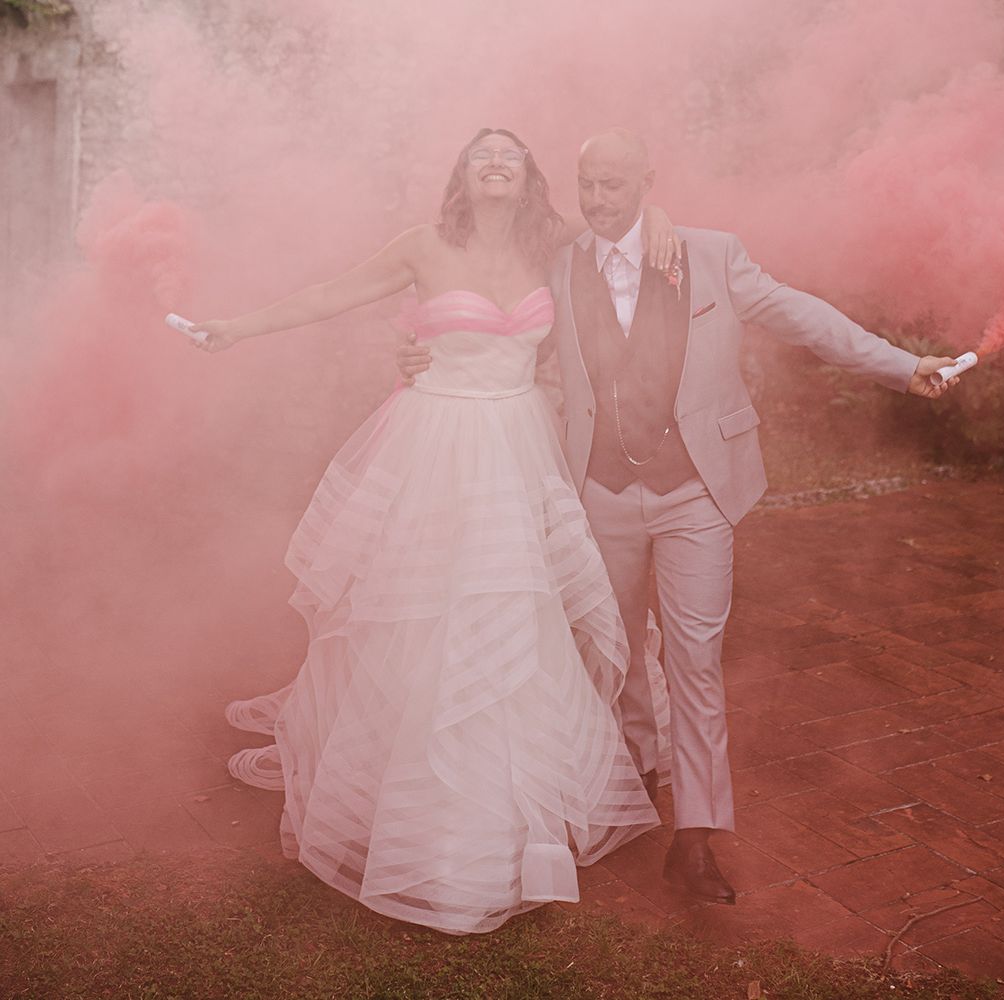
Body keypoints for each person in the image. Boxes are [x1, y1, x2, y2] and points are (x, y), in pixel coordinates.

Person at [398, 128, 960, 905]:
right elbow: (493, 322)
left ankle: (695, 837)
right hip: (600, 491)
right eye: (588, 185)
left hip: (697, 491)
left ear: (647, 183)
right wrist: (421, 353)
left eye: (615, 185)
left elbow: (801, 316)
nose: (599, 200)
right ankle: (635, 777)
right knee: (617, 648)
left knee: (694, 660)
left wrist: (903, 365)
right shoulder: (558, 262)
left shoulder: (712, 255)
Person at [187, 128, 683, 935]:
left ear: (528, 176)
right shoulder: (423, 245)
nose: (496, 160)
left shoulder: (552, 241)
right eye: (481, 152)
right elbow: (332, 294)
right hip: (437, 443)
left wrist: (656, 216)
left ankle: (516, 804)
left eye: (510, 152)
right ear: (462, 174)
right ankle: (426, 806)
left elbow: (621, 222)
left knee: (518, 611)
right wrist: (237, 327)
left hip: (519, 442)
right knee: (429, 612)